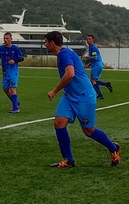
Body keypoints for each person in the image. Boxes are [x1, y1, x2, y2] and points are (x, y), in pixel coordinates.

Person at [44, 30, 121, 169]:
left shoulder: (64, 54)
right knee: (59, 123)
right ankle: (68, 160)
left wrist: (54, 90)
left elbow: (70, 74)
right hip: (69, 96)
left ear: (52, 43)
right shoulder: (63, 54)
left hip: (84, 96)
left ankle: (113, 147)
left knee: (88, 131)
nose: (45, 45)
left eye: (46, 42)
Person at [0, 32, 24, 113]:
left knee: (12, 88)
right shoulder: (1, 48)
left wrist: (14, 60)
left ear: (11, 39)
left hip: (13, 71)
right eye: (4, 38)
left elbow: (21, 58)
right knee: (5, 89)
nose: (5, 40)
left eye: (7, 38)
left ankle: (16, 108)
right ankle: (15, 102)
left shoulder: (15, 49)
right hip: (5, 72)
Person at [82, 34, 113, 99]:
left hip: (96, 65)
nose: (88, 40)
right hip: (97, 64)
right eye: (87, 39)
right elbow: (95, 57)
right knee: (93, 80)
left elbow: (95, 57)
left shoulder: (93, 47)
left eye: (89, 39)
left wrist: (86, 57)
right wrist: (90, 63)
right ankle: (105, 86)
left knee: (93, 81)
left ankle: (101, 94)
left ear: (92, 40)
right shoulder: (91, 47)